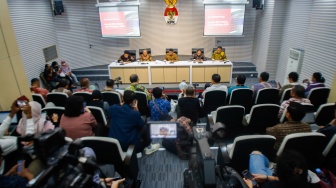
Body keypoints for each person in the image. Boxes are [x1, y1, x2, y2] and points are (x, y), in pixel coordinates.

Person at [108, 90, 160, 155]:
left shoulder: (113, 108)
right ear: (134, 101)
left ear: (122, 98)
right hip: (129, 146)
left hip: (113, 144)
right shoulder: (134, 113)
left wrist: (121, 104)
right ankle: (149, 147)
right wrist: (136, 110)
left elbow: (111, 111)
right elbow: (141, 124)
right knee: (145, 125)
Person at [244, 150, 321, 188]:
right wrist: (268, 177)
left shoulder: (270, 186)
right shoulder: (316, 186)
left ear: (278, 172)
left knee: (255, 154)